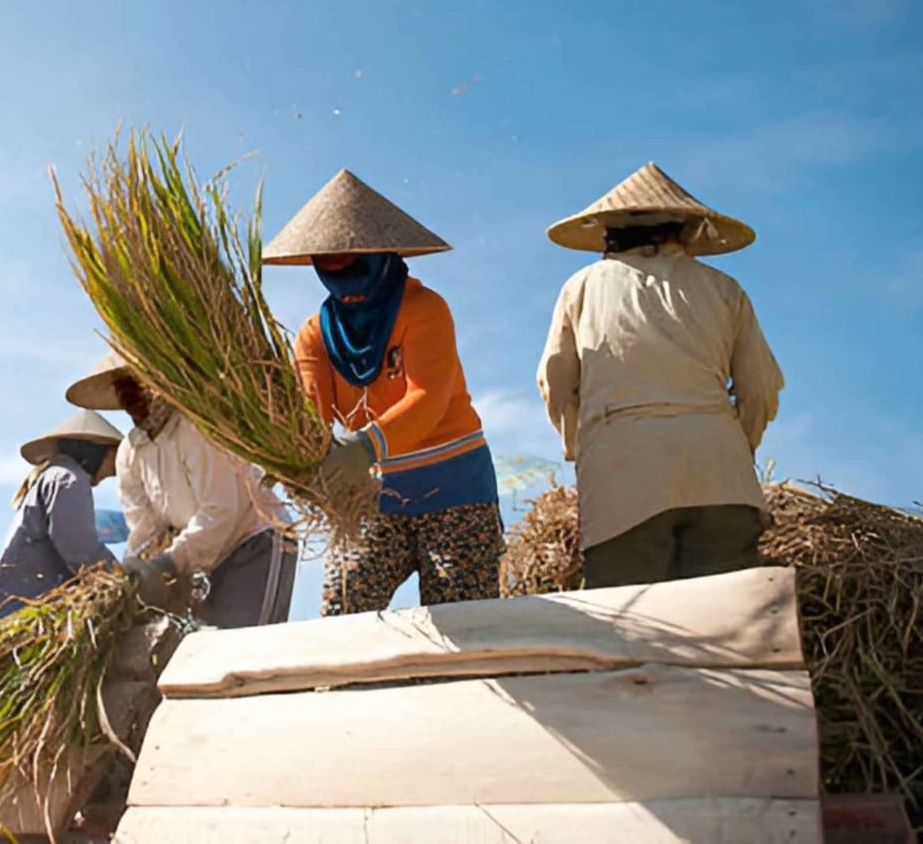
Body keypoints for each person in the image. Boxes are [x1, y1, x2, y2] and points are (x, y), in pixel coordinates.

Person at [263, 169, 504, 615]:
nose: (347, 289)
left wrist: (364, 446)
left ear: (382, 259)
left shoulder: (425, 310)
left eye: (355, 270)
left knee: (466, 621)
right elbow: (313, 413)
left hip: (457, 491)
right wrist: (296, 458)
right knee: (342, 611)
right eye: (332, 273)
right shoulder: (315, 335)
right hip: (374, 500)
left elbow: (428, 399)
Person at [537, 162, 784, 588]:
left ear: (610, 233)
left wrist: (580, 445)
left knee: (637, 632)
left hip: (623, 475)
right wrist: (736, 444)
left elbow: (555, 383)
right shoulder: (725, 289)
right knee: (727, 631)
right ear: (682, 230)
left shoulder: (581, 287)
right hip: (721, 475)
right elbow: (760, 389)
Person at [66, 354, 297, 628]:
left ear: (157, 381)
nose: (128, 394)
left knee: (244, 644)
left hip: (254, 538)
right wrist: (134, 574)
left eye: (135, 382)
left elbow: (220, 510)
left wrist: (171, 563)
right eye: (121, 387)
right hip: (203, 556)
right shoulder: (131, 452)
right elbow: (144, 527)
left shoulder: (196, 427)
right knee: (208, 648)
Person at [0, 410, 123, 632]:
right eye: (113, 458)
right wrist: (122, 579)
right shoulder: (69, 479)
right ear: (96, 450)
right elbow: (79, 548)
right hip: (26, 617)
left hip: (8, 613)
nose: (107, 476)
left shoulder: (53, 477)